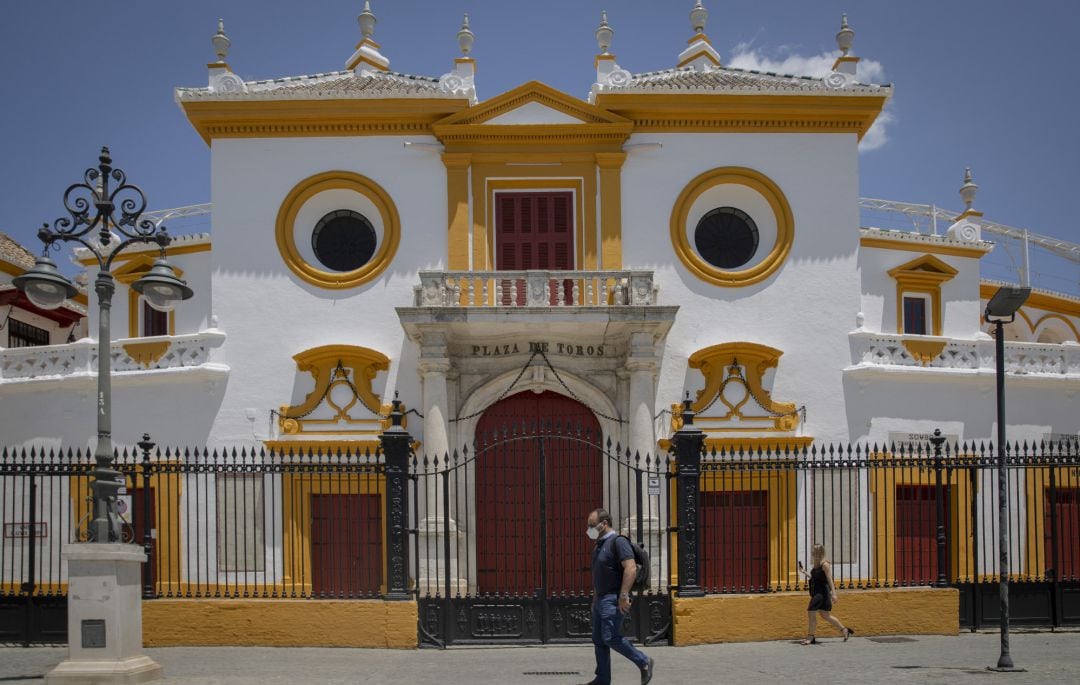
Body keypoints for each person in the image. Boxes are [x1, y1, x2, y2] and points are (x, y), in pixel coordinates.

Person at [579, 508, 654, 685]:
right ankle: (602, 679)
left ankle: (643, 662)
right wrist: (595, 600)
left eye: (592, 525)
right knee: (599, 639)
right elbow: (600, 575)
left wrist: (623, 595)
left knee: (609, 637)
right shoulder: (599, 545)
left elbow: (631, 568)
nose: (589, 529)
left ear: (604, 524)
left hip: (613, 598)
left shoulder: (618, 542)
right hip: (600, 600)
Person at [797, 543, 854, 645]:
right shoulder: (816, 564)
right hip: (816, 592)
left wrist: (834, 594)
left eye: (814, 551)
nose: (812, 552)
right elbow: (815, 578)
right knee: (825, 615)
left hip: (822, 593)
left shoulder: (825, 564)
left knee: (811, 612)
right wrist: (803, 571)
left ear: (819, 552)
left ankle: (810, 637)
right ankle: (844, 630)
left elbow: (829, 579)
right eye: (812, 551)